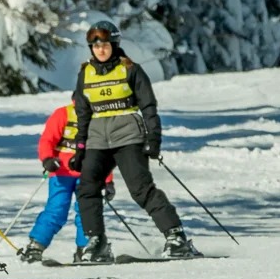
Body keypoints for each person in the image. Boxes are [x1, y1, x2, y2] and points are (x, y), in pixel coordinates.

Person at [70, 20, 199, 260]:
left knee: (140, 189)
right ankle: (96, 242)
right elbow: (83, 114)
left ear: (114, 44)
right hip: (98, 140)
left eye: (105, 44)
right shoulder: (85, 73)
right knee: (87, 189)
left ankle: (176, 236)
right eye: (95, 45)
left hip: (128, 136)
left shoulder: (130, 69)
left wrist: (154, 138)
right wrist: (80, 148)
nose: (100, 49)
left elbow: (148, 106)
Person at [18, 100, 115, 263]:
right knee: (56, 209)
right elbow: (47, 140)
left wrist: (107, 180)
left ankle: (86, 248)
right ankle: (36, 246)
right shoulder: (63, 114)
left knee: (87, 211)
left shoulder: (100, 118)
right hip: (61, 172)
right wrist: (47, 159)